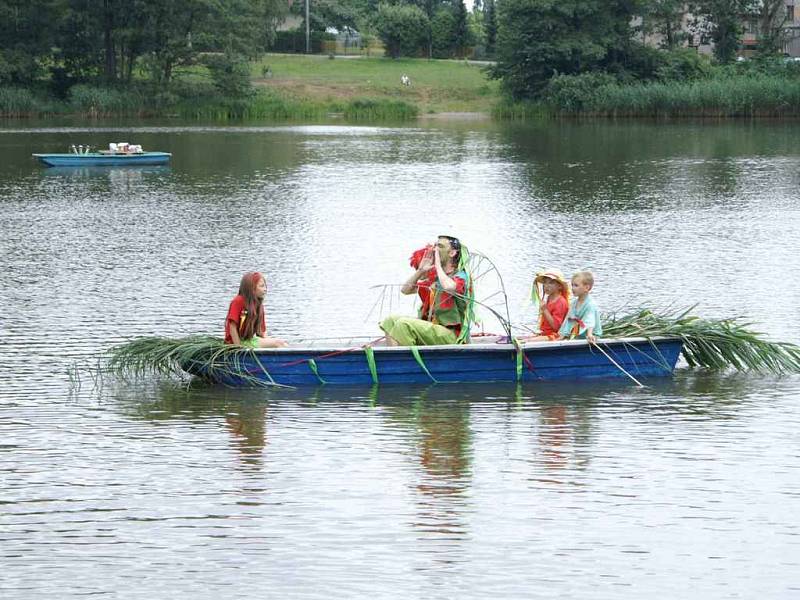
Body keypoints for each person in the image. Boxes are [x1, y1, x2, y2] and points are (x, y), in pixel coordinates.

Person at [380, 235, 470, 346]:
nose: (435, 250)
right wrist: (421, 271)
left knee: (404, 324)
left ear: (452, 253)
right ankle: (395, 360)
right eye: (435, 246)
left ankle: (406, 361)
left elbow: (448, 287)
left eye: (440, 247)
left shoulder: (460, 276)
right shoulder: (436, 280)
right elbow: (405, 290)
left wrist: (437, 264)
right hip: (434, 329)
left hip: (452, 335)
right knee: (390, 320)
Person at [224, 272, 287, 348]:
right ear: (252, 288)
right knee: (278, 343)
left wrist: (268, 342)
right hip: (237, 342)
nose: (265, 289)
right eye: (262, 286)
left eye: (265, 286)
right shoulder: (238, 301)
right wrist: (238, 348)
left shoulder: (259, 304)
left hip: (249, 340)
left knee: (283, 343)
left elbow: (262, 332)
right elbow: (232, 326)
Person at [521, 268, 570, 342]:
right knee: (518, 338)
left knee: (527, 341)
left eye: (551, 283)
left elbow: (556, 327)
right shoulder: (549, 298)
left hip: (556, 335)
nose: (546, 286)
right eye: (545, 283)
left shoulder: (561, 302)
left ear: (560, 286)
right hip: (545, 333)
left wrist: (545, 310)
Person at [558, 270, 602, 343]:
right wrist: (563, 334)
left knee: (589, 332)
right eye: (572, 285)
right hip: (577, 334)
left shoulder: (590, 304)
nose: (572, 288)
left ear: (586, 288)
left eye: (576, 285)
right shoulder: (574, 303)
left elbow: (589, 320)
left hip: (590, 335)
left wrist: (589, 334)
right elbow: (568, 320)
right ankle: (569, 336)